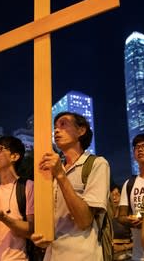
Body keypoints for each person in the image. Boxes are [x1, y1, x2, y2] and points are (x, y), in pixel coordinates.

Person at [31, 112, 110, 261]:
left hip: (83, 256)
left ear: (81, 130)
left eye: (63, 124)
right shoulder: (53, 170)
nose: (56, 130)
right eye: (55, 127)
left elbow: (84, 220)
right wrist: (41, 236)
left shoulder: (97, 164)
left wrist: (61, 175)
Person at [118, 133, 144, 261]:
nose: (139, 149)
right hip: (139, 255)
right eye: (136, 147)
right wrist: (130, 221)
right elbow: (121, 216)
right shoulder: (129, 183)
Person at [111, 183, 133, 261]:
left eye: (117, 194)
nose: (114, 197)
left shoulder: (127, 217)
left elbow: (137, 240)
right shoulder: (105, 216)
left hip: (125, 255)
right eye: (112, 195)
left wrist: (123, 247)